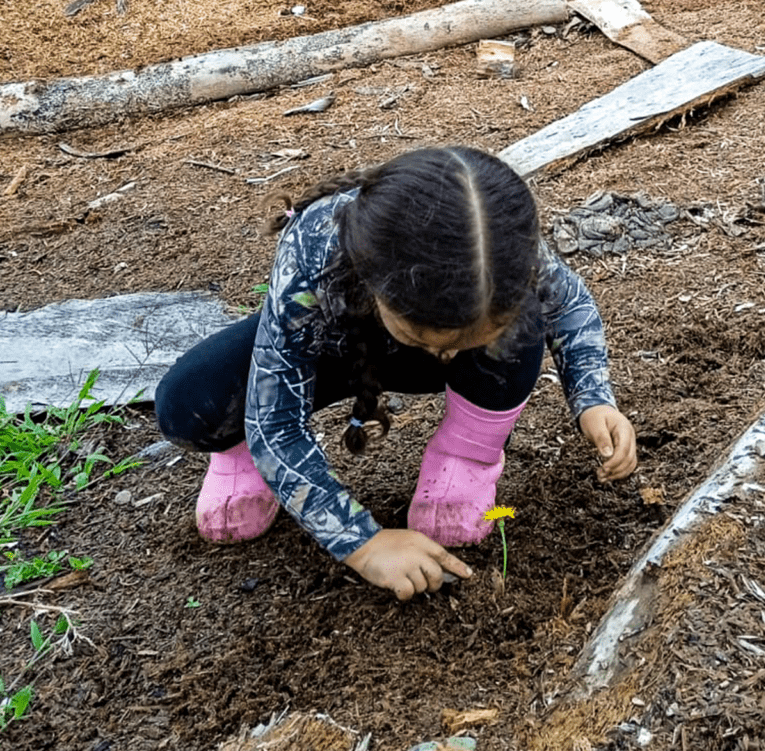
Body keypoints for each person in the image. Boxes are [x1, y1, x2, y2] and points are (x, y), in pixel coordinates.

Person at [154, 146, 637, 601]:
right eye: (430, 338)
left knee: (524, 319)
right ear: (375, 282)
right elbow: (274, 420)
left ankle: (466, 457)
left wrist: (593, 396)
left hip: (413, 348)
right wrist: (362, 544)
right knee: (190, 402)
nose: (446, 356)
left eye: (457, 343)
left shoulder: (500, 247)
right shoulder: (318, 248)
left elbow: (569, 304)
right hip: (332, 346)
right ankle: (245, 462)